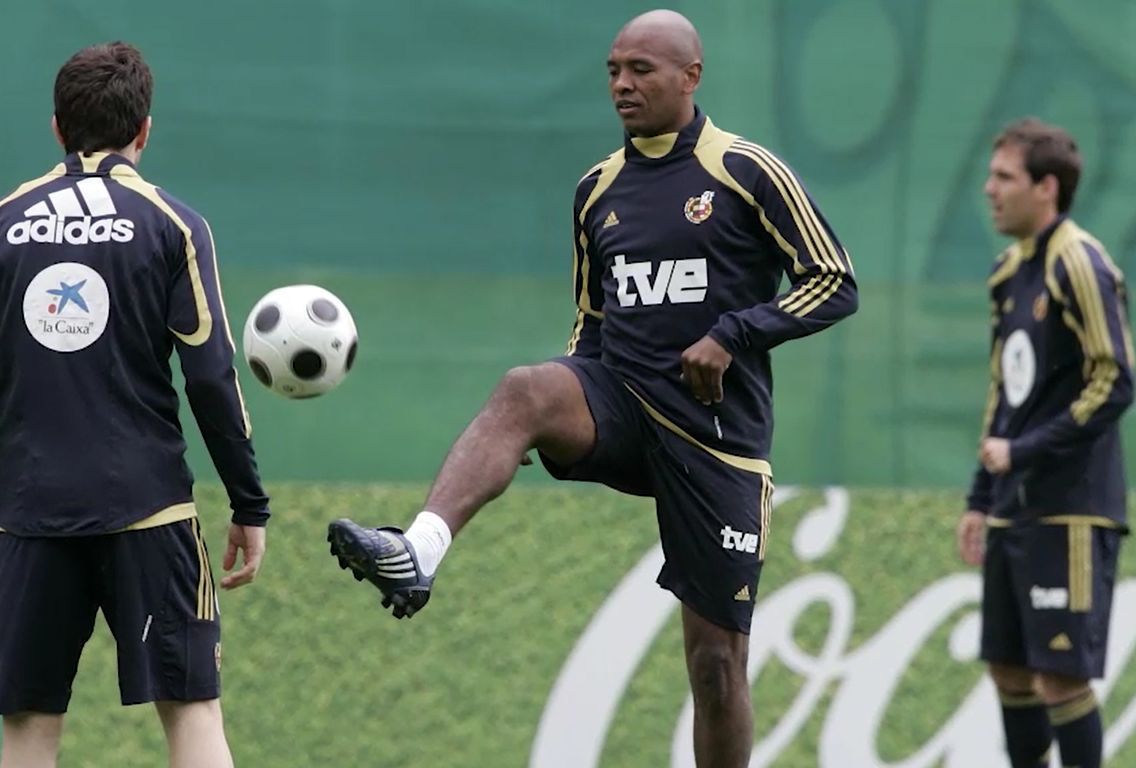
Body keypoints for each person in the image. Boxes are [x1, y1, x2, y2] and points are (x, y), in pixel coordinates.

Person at [327, 10, 856, 766]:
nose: (621, 84)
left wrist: (734, 335)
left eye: (641, 69)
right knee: (527, 389)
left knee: (715, 667)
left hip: (717, 443)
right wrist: (571, 395)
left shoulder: (745, 171)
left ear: (691, 75)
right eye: (613, 69)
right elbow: (593, 322)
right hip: (627, 407)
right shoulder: (596, 190)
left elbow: (833, 281)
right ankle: (418, 550)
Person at [0, 42, 269, 768]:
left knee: (28, 726)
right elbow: (211, 376)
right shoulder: (174, 225)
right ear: (145, 130)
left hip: (28, 517)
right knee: (193, 712)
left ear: (55, 127)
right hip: (150, 512)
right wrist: (248, 503)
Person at [958, 117, 1135, 768]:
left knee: (1061, 677)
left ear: (1047, 188)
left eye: (1003, 177)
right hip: (1013, 505)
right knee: (1008, 669)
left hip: (1071, 509)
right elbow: (1005, 391)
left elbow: (1114, 381)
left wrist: (1026, 452)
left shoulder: (1081, 262)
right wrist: (981, 496)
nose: (988, 189)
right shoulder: (1007, 272)